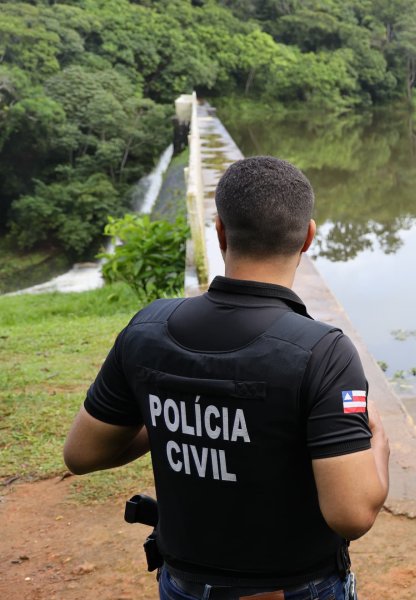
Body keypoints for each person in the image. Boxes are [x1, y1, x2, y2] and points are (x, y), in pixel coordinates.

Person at [63, 156, 390, 600]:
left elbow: (82, 453)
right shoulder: (324, 353)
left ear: (220, 232)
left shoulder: (147, 329)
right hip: (293, 588)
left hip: (182, 583)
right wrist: (379, 446)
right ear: (308, 238)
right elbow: (352, 514)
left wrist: (173, 414)